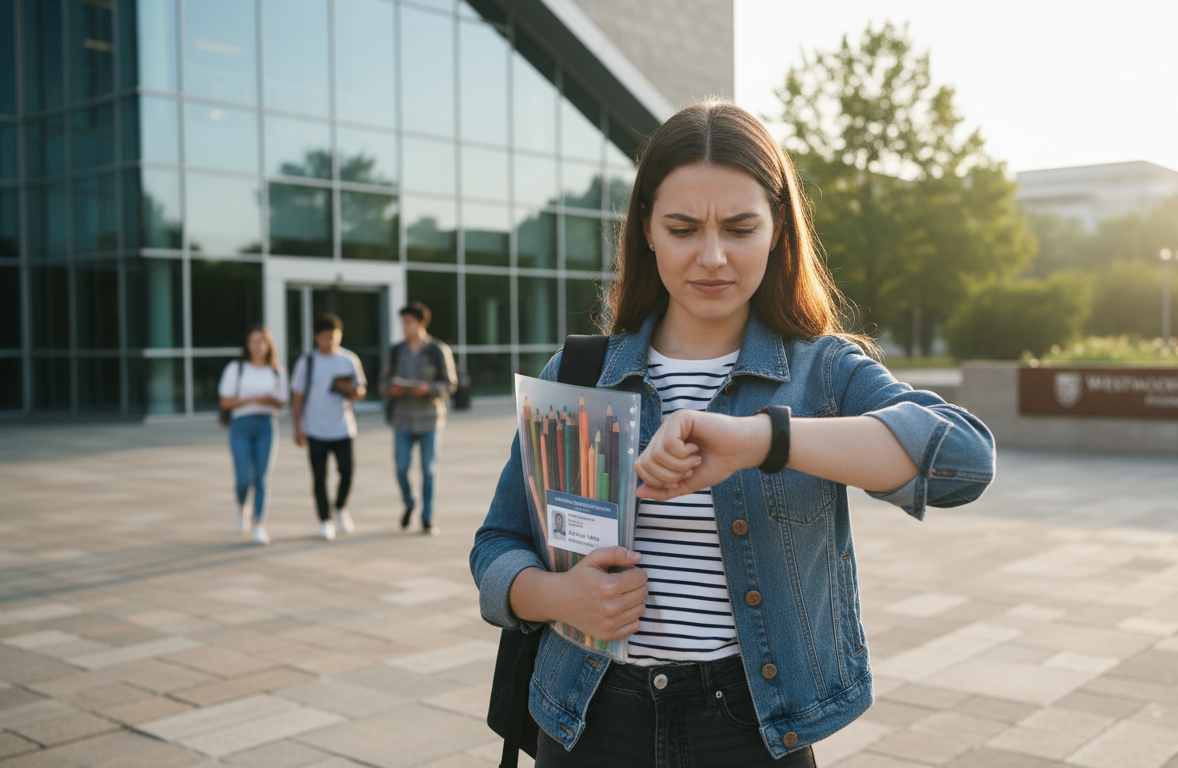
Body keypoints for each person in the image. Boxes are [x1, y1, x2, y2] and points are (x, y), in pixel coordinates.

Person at [470, 101, 996, 767]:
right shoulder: (580, 375)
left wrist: (762, 441)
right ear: (647, 228)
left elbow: (964, 460)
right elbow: (497, 544)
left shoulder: (823, 374)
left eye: (741, 227)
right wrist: (554, 595)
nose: (712, 257)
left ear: (777, 229)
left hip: (751, 728)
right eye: (683, 228)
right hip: (587, 719)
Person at [379, 301, 457, 536]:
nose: (405, 327)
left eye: (409, 322)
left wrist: (429, 389)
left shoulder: (437, 350)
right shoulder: (396, 351)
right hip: (402, 420)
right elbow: (382, 383)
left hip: (430, 420)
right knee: (401, 468)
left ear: (422, 323)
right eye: (403, 323)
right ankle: (409, 502)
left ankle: (427, 517)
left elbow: (450, 384)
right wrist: (390, 389)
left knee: (429, 471)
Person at [292, 313, 367, 541]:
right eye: (325, 336)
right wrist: (297, 426)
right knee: (319, 477)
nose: (330, 341)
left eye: (334, 336)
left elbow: (361, 390)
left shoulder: (349, 359)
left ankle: (340, 507)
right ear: (317, 337)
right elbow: (297, 396)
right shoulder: (307, 362)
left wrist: (350, 390)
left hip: (343, 427)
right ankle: (325, 520)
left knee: (347, 471)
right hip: (315, 428)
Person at [218, 325, 288, 545]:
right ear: (247, 345)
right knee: (243, 479)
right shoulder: (236, 368)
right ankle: (242, 508)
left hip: (266, 425)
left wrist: (271, 401)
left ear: (269, 345)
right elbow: (225, 402)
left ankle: (259, 523)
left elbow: (282, 402)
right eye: (253, 341)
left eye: (261, 341)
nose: (257, 346)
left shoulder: (277, 371)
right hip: (241, 425)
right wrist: (252, 400)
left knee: (262, 478)